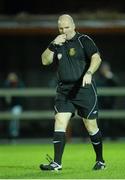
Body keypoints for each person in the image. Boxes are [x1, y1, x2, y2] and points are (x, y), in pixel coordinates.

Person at [40, 14, 105, 171]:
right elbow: (45, 60)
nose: (64, 31)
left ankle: (100, 160)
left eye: (67, 27)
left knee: (91, 126)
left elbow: (97, 58)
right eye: (61, 28)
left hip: (84, 89)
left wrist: (89, 73)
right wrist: (52, 45)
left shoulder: (84, 40)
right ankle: (57, 163)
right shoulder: (57, 43)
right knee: (60, 122)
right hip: (64, 91)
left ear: (74, 26)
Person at [3, 72, 25, 140]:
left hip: (17, 105)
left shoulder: (20, 84)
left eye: (13, 78)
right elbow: (4, 96)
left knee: (15, 117)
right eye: (10, 78)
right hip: (8, 106)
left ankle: (14, 134)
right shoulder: (7, 84)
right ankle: (10, 134)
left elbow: (22, 96)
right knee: (8, 120)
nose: (11, 79)